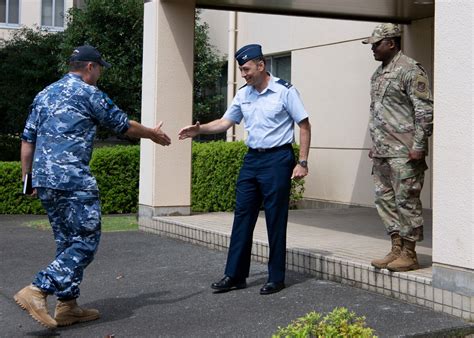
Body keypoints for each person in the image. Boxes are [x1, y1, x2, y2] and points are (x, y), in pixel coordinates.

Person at [15, 45, 171, 329]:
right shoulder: (88, 93)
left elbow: (27, 141)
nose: (99, 74)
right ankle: (38, 290)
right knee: (86, 241)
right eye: (99, 69)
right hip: (73, 179)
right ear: (90, 67)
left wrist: (28, 180)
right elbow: (123, 125)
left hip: (45, 180)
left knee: (66, 243)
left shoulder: (44, 94)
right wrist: (152, 134)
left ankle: (68, 306)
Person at [178, 44, 311, 295]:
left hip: (278, 158)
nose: (244, 74)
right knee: (242, 216)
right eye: (241, 69)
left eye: (246, 69)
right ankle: (235, 275)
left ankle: (276, 277)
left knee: (275, 218)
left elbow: (304, 125)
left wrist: (302, 162)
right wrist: (200, 130)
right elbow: (225, 122)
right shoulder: (243, 94)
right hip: (252, 160)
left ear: (261, 66)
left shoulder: (285, 91)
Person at [363, 23, 433, 272]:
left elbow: (424, 111)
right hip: (383, 151)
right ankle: (396, 248)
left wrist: (419, 145)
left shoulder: (410, 70)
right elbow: (378, 112)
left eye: (376, 44)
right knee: (385, 201)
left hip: (404, 152)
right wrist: (375, 145)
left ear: (391, 43)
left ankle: (410, 254)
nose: (372, 48)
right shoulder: (378, 73)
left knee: (407, 201)